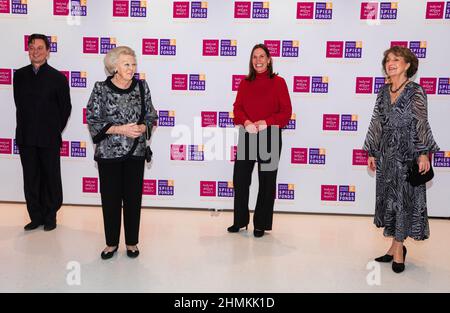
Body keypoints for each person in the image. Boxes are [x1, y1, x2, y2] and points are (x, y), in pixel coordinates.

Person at [363, 46, 439, 273]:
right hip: (386, 156)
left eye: (396, 59)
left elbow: (421, 123)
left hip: (407, 157)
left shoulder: (416, 91)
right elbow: (377, 122)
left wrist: (423, 153)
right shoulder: (383, 91)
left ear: (407, 65)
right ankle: (394, 246)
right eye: (388, 60)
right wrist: (372, 151)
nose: (390, 63)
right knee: (390, 202)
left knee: (403, 203)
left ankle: (398, 251)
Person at [86, 46, 157, 259]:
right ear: (114, 67)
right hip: (109, 154)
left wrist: (144, 127)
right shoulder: (101, 88)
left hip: (136, 152)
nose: (131, 68)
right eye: (126, 64)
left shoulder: (142, 87)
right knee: (110, 199)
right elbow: (93, 119)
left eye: (133, 64)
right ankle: (111, 243)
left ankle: (132, 243)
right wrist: (121, 129)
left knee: (133, 199)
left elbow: (151, 115)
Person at [228, 43, 292, 238]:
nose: (258, 60)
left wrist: (268, 122)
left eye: (262, 57)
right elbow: (237, 108)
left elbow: (286, 112)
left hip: (269, 136)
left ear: (269, 60)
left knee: (266, 182)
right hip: (248, 134)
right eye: (254, 57)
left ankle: (261, 224)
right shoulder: (245, 83)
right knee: (240, 179)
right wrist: (246, 121)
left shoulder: (278, 82)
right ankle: (239, 221)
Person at [13, 34, 72, 232]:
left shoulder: (58, 78)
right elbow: (19, 104)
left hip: (49, 138)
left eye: (40, 48)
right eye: (32, 48)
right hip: (26, 136)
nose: (35, 51)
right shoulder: (19, 75)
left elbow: (65, 108)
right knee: (31, 178)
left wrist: (53, 128)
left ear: (48, 51)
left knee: (50, 178)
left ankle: (50, 216)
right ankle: (35, 216)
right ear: (28, 50)